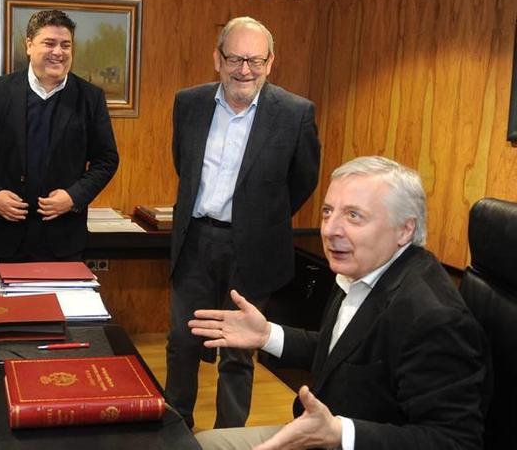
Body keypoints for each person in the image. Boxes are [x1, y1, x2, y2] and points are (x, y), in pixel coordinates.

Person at [189, 156, 491, 450]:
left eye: (353, 216)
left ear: (405, 229)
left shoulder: (433, 317)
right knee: (201, 443)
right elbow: (342, 351)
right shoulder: (363, 269)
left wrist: (341, 433)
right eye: (327, 212)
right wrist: (267, 334)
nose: (330, 230)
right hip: (322, 432)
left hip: (347, 441)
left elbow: (454, 441)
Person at [167, 16, 321, 428]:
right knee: (182, 342)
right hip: (196, 241)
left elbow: (303, 179)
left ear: (271, 62)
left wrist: (261, 218)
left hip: (254, 249)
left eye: (255, 60)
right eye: (235, 58)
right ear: (217, 59)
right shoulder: (189, 103)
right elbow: (183, 163)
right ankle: (176, 426)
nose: (244, 70)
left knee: (238, 352)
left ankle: (228, 435)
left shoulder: (295, 113)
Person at [0, 9, 119, 280]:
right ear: (29, 45)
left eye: (66, 45)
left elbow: (106, 159)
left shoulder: (90, 97)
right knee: (6, 317)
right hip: (5, 234)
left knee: (58, 318)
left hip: (63, 237)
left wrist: (74, 197)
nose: (58, 51)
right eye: (49, 43)